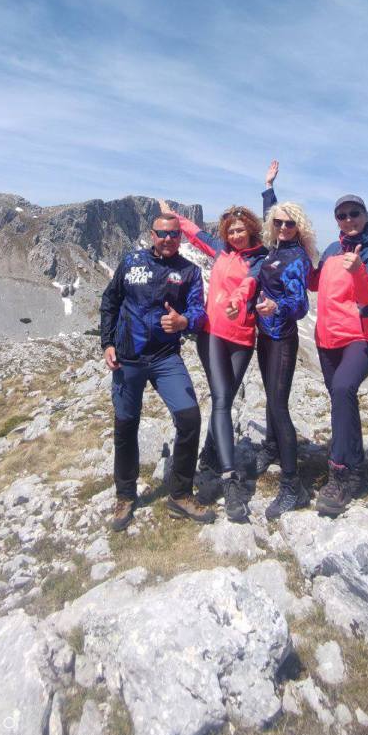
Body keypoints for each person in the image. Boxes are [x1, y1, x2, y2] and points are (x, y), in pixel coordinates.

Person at [265, 172, 368, 517]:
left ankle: (341, 475)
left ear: (365, 216)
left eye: (354, 214)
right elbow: (314, 282)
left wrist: (358, 271)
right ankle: (357, 466)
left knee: (344, 389)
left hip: (360, 338)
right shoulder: (334, 250)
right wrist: (289, 244)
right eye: (342, 215)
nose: (348, 220)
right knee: (340, 399)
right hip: (327, 339)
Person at [100, 212, 216, 531]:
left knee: (189, 418)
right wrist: (107, 343)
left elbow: (199, 312)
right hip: (128, 357)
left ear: (180, 237)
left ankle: (180, 494)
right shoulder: (131, 262)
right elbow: (110, 301)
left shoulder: (189, 271)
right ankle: (125, 496)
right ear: (151, 234)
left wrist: (183, 322)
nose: (168, 239)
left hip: (166, 358)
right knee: (126, 424)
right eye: (162, 234)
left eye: (174, 234)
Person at [158, 198, 267, 523]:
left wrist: (239, 300)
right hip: (213, 334)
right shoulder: (219, 250)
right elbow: (194, 235)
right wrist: (173, 216)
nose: (235, 235)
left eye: (240, 230)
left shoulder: (260, 257)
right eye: (230, 231)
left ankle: (208, 455)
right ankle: (230, 479)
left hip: (243, 338)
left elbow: (250, 282)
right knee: (221, 400)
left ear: (251, 229)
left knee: (226, 399)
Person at [255, 159, 317, 518]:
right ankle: (271, 447)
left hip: (281, 339)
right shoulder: (277, 246)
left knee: (279, 406)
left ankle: (293, 486)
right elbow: (274, 215)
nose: (282, 227)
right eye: (278, 223)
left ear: (299, 227)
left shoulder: (295, 259)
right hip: (265, 336)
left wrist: (276, 306)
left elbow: (300, 305)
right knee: (270, 397)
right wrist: (269, 188)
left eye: (289, 223)